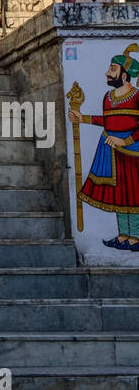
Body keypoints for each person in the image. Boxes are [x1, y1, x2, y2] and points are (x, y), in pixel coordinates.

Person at [69, 47, 139, 251]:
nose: (108, 73)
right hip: (110, 151)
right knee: (119, 195)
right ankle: (123, 235)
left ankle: (135, 237)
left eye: (113, 69)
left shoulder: (136, 96)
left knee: (134, 195)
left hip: (132, 152)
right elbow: (107, 121)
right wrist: (83, 119)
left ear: (124, 75)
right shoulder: (108, 97)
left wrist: (125, 142)